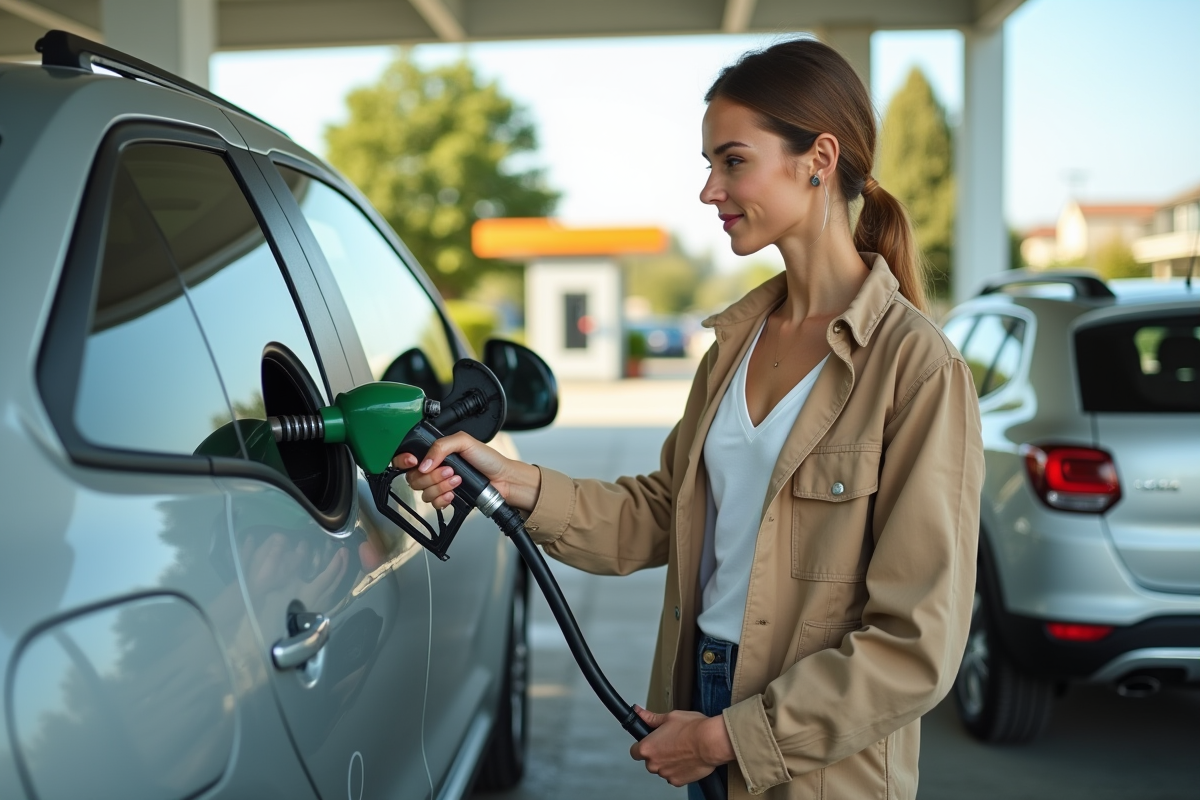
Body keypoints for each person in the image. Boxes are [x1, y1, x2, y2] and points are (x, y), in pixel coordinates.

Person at [398, 38, 984, 800]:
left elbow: (916, 645)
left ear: (819, 158)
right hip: (705, 686)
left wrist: (725, 738)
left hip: (815, 755)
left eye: (732, 161)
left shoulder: (917, 370)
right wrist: (516, 481)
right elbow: (661, 514)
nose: (710, 190)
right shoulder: (733, 349)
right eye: (709, 165)